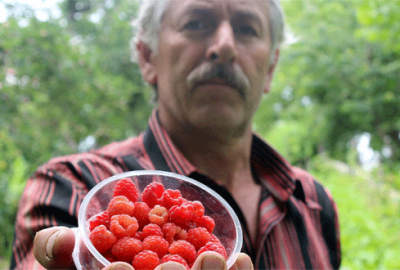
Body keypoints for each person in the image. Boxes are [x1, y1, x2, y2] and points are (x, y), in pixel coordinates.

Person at [10, 0, 341, 269]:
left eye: (247, 29)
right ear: (147, 57)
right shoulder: (75, 183)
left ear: (270, 68)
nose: (224, 46)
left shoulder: (313, 202)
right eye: (196, 23)